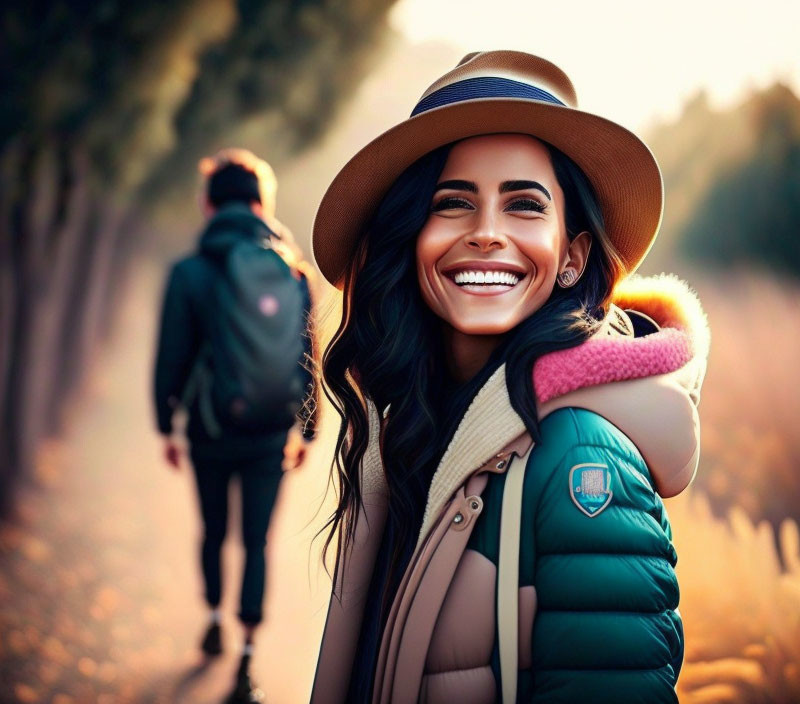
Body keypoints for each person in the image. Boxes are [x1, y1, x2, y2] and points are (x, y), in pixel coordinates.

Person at [310, 51, 709, 703]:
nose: (487, 234)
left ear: (572, 256)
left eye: (524, 205)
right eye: (452, 204)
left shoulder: (583, 463)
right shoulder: (411, 427)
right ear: (412, 240)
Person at [152, 148, 316, 704]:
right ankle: (247, 662)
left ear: (207, 204)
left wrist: (165, 424)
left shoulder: (192, 272)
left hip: (208, 428)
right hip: (272, 431)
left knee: (214, 531)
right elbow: (306, 354)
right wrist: (309, 430)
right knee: (257, 541)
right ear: (261, 204)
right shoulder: (292, 271)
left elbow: (171, 354)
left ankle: (215, 617)